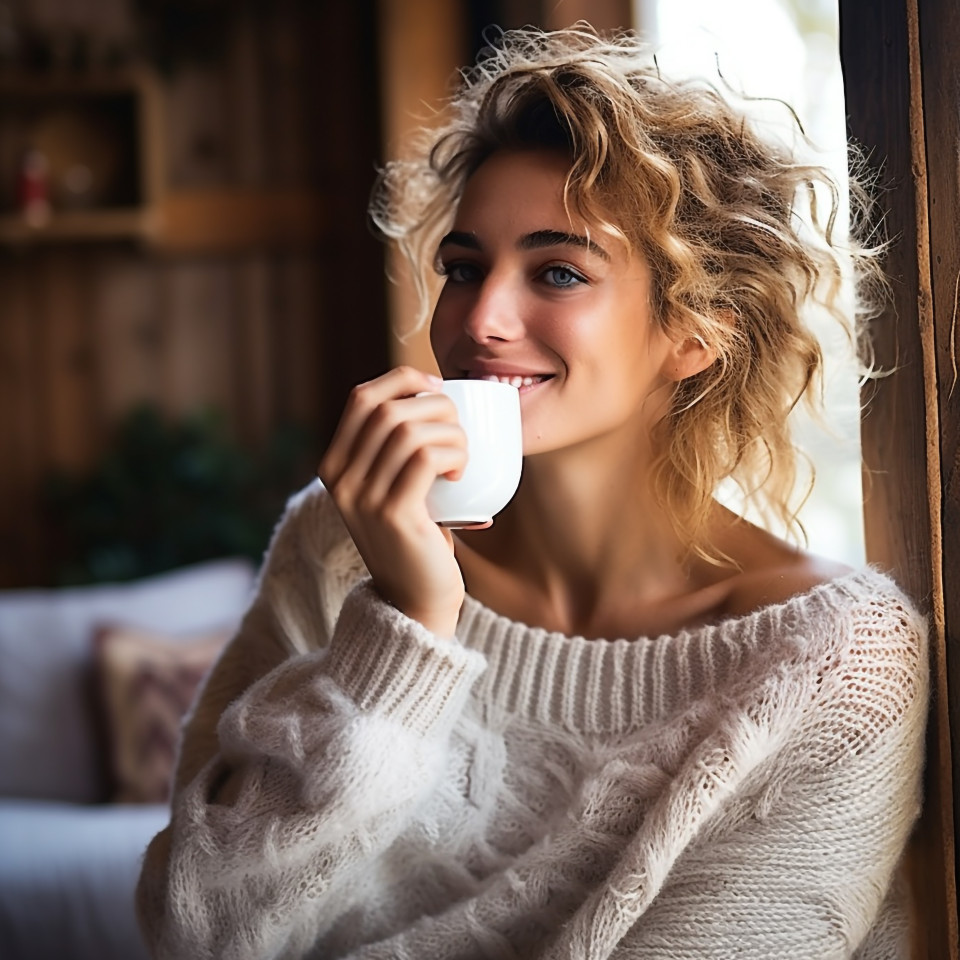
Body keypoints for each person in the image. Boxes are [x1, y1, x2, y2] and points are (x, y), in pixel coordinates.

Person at [136, 24, 928, 960]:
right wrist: (406, 628)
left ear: (694, 336)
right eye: (463, 268)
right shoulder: (341, 543)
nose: (480, 317)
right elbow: (196, 931)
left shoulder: (837, 664)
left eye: (556, 271)